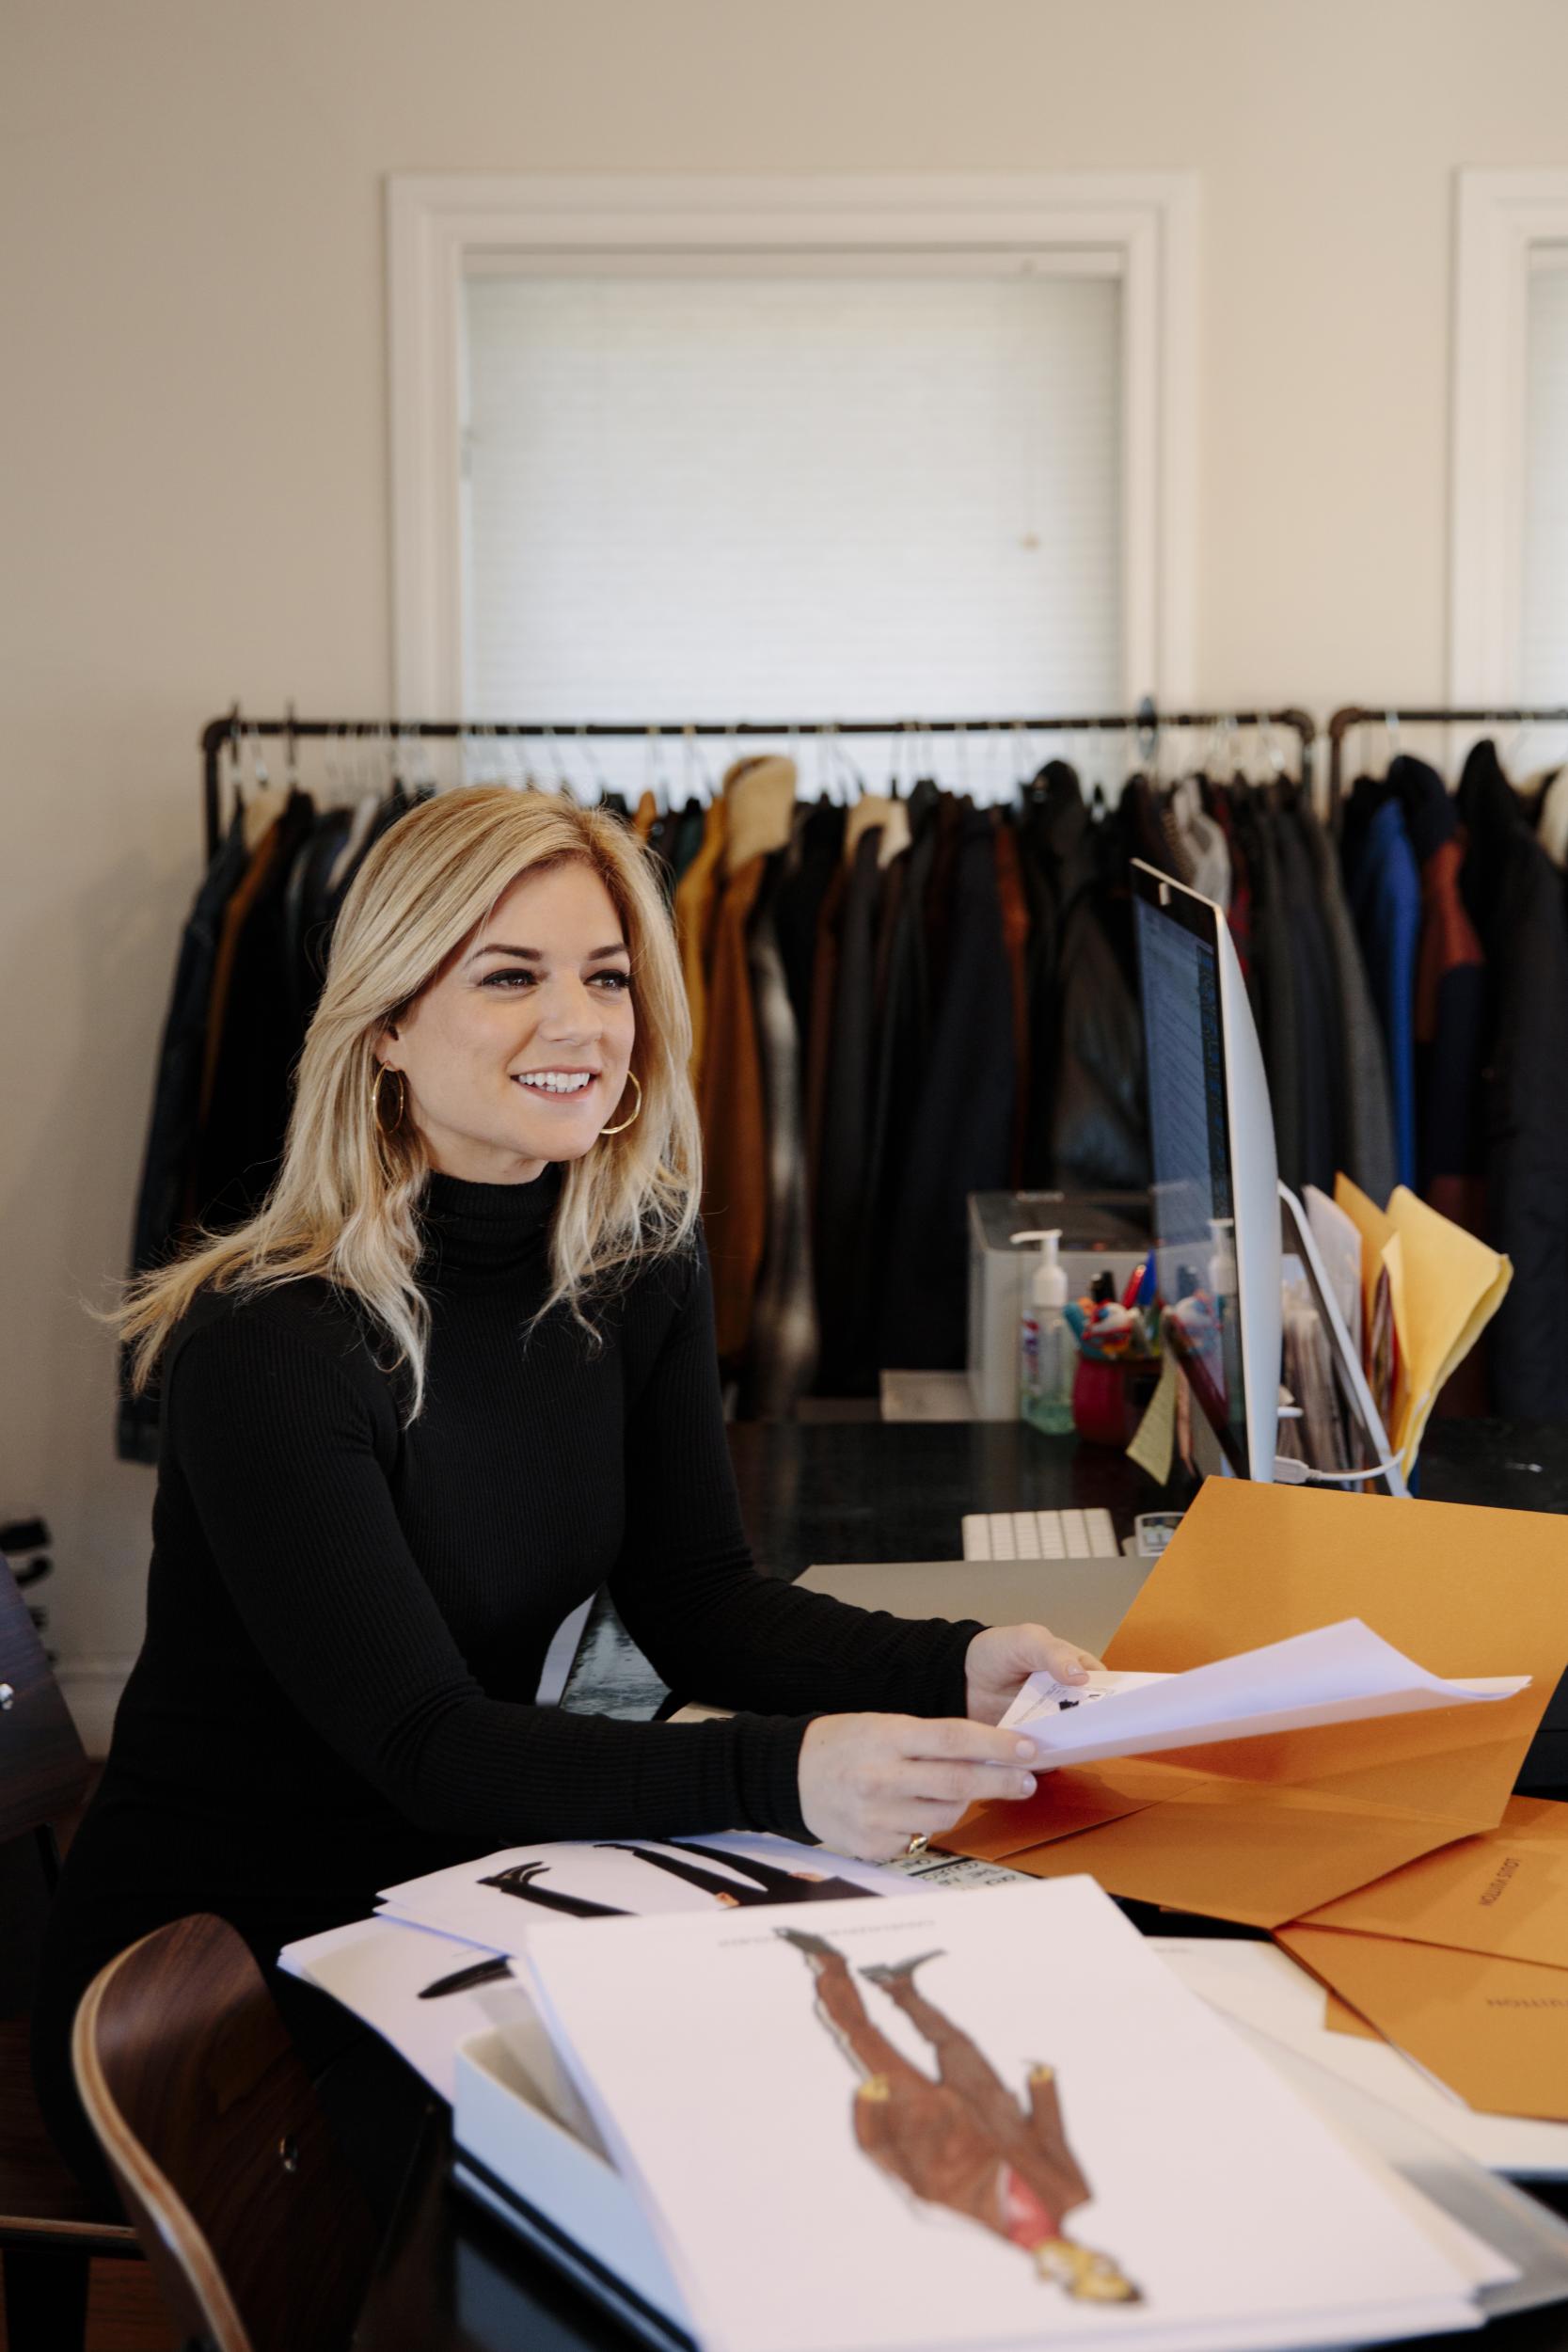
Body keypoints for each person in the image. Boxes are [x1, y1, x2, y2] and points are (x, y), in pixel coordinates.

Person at [34, 786, 1095, 2210]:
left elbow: (696, 1600)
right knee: (690, 2181)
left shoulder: (631, 1265)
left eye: (605, 977)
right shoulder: (270, 1345)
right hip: (222, 1980)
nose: (579, 1023)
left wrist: (955, 1666)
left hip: (461, 1890)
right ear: (388, 1025)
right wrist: (783, 1773)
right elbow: (427, 1743)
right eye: (508, 977)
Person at [780, 1932, 1139, 2301]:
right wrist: (1042, 2088)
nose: (1097, 2262)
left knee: (863, 2037)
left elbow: (884, 2157)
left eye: (1095, 2275)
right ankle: (898, 1986)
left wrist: (868, 2109)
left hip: (921, 2118)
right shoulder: (1074, 2194)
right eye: (1108, 2266)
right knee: (954, 2043)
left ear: (1059, 2280)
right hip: (990, 2108)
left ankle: (828, 1963)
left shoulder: (955, 2220)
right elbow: (1052, 2140)